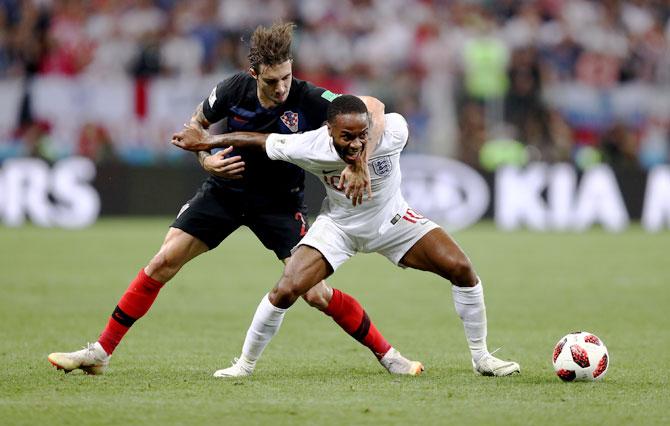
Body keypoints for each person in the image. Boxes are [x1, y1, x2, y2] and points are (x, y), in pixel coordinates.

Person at [47, 23, 423, 377]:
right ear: (254, 72)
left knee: (315, 293)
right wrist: (206, 160)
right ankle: (101, 352)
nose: (281, 89)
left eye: (287, 78)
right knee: (163, 261)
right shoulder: (230, 90)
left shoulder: (308, 97)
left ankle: (389, 356)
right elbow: (195, 127)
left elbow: (370, 107)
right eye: (273, 81)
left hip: (279, 204)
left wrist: (360, 162)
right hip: (225, 194)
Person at [171, 95, 521, 377]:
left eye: (361, 136)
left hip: (395, 221)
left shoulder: (392, 133)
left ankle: (482, 358)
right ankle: (243, 366)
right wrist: (210, 140)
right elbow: (259, 139)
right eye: (346, 137)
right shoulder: (310, 145)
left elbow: (380, 110)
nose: (355, 143)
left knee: (462, 269)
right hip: (338, 228)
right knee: (286, 289)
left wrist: (360, 163)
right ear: (328, 131)